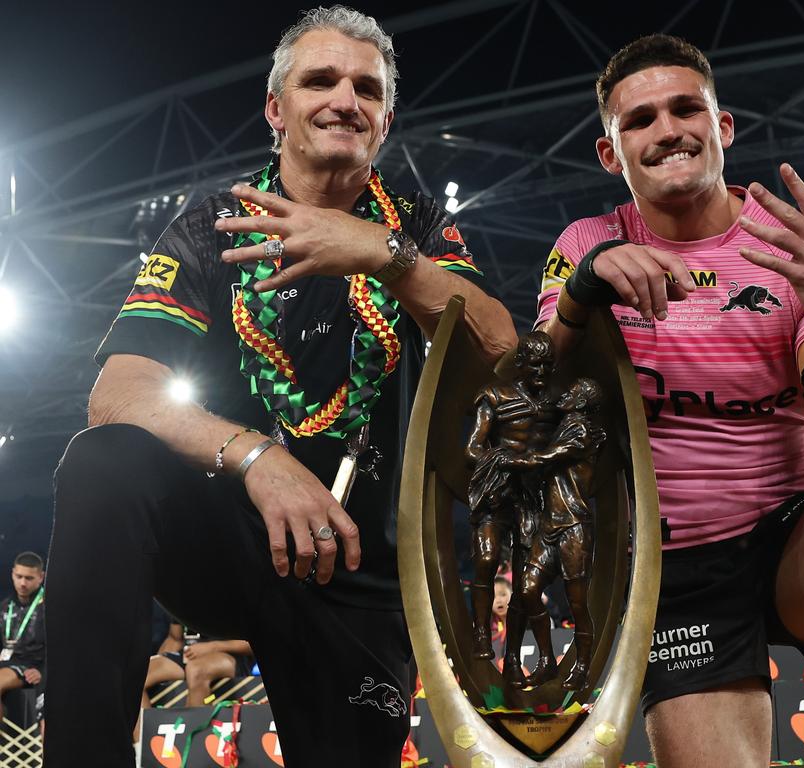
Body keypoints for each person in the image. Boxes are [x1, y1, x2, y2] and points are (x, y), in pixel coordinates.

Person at [44, 7, 516, 767]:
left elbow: (503, 356)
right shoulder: (212, 225)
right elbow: (118, 394)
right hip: (224, 538)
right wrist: (258, 458)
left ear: (385, 119)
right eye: (319, 80)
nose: (344, 100)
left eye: (366, 88)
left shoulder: (417, 228)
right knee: (105, 462)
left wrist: (384, 256)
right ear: (276, 107)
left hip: (358, 567)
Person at [535, 34, 804, 768]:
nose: (668, 129)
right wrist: (581, 297)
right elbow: (536, 401)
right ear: (611, 155)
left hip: (792, 541)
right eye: (639, 120)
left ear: (722, 127)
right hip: (673, 571)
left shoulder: (801, 246)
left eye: (685, 109)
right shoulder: (590, 242)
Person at [465, 332, 560, 664]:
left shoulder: (556, 402)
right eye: (535, 366)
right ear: (519, 365)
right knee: (487, 560)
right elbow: (474, 447)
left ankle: (515, 658)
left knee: (524, 580)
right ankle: (480, 632)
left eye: (547, 367)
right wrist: (502, 460)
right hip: (496, 490)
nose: (541, 374)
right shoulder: (494, 395)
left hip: (532, 498)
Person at [509, 377, 606, 690]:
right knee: (526, 589)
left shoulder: (582, 429)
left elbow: (548, 457)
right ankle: (547, 661)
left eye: (573, 391)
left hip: (573, 525)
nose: (565, 393)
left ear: (581, 401)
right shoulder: (565, 425)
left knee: (577, 603)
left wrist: (513, 459)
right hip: (550, 524)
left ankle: (582, 666)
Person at [0, 552, 45, 722]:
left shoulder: (49, 608)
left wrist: (42, 671)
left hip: (33, 667)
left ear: (41, 577)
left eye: (29, 578)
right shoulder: (5, 607)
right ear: (12, 573)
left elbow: (60, 648)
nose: (23, 583)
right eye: (19, 576)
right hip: (7, 664)